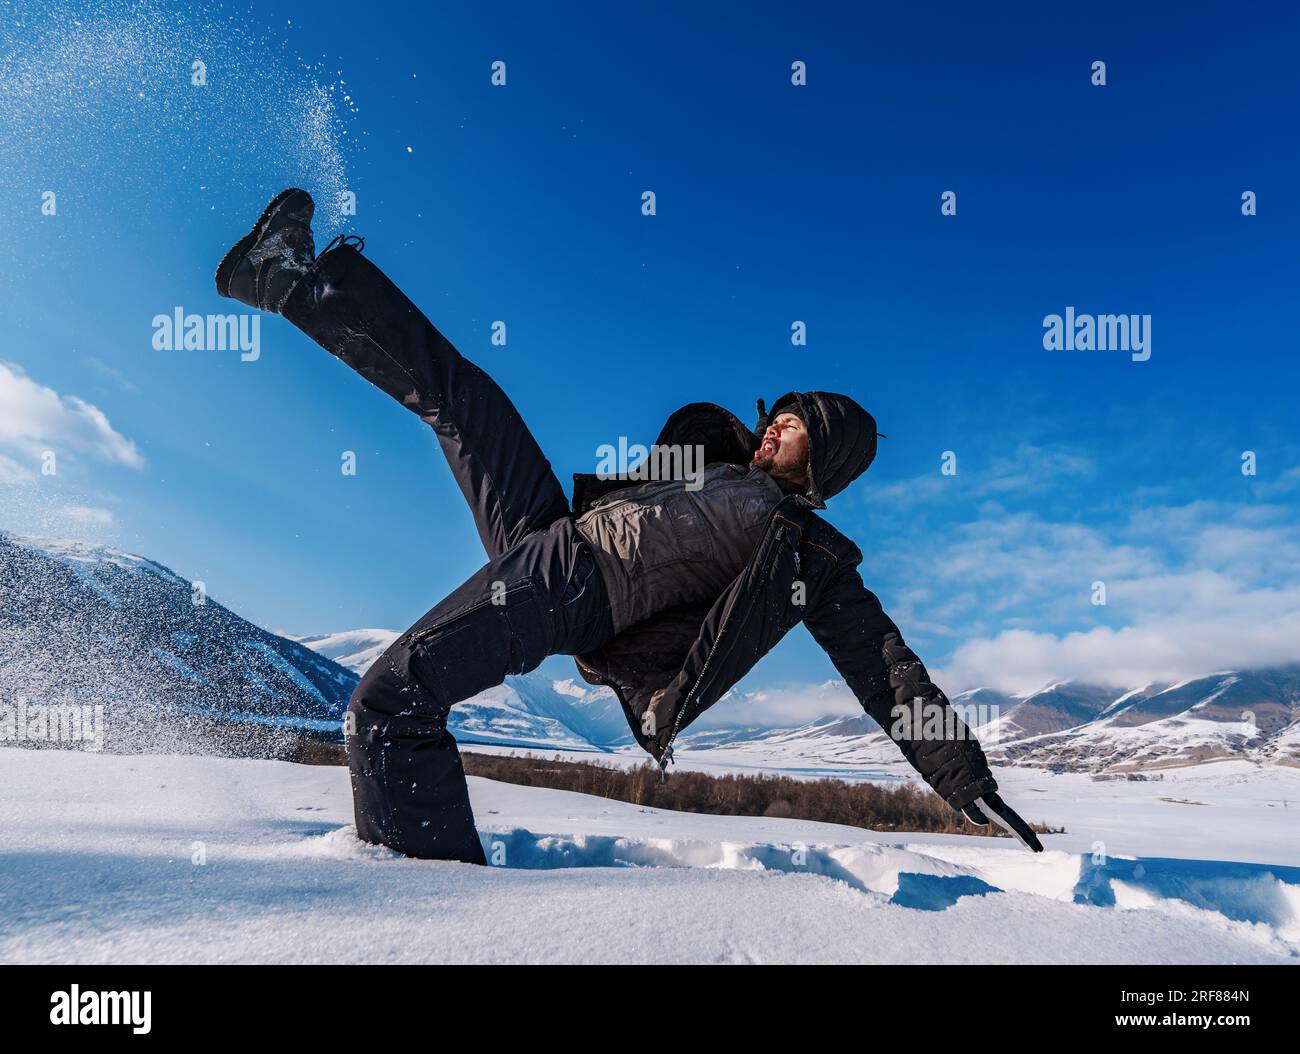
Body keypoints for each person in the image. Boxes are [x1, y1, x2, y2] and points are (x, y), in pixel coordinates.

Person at [215, 189, 1043, 863]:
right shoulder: (717, 458)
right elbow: (637, 495)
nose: (771, 428)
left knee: (390, 702)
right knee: (466, 399)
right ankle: (289, 281)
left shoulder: (806, 551)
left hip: (578, 590)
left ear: (823, 463)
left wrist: (962, 778)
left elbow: (888, 670)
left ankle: (433, 905)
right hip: (554, 537)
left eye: (791, 429)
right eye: (777, 415)